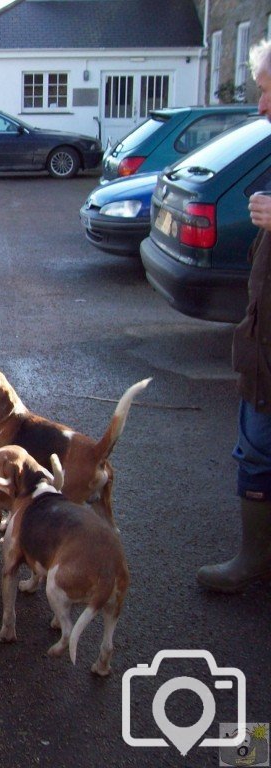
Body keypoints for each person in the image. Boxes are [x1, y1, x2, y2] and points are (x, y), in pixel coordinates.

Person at [197, 38, 271, 593]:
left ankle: (253, 565)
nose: (262, 105)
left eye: (269, 91)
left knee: (258, 448)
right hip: (261, 343)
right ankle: (254, 558)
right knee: (255, 448)